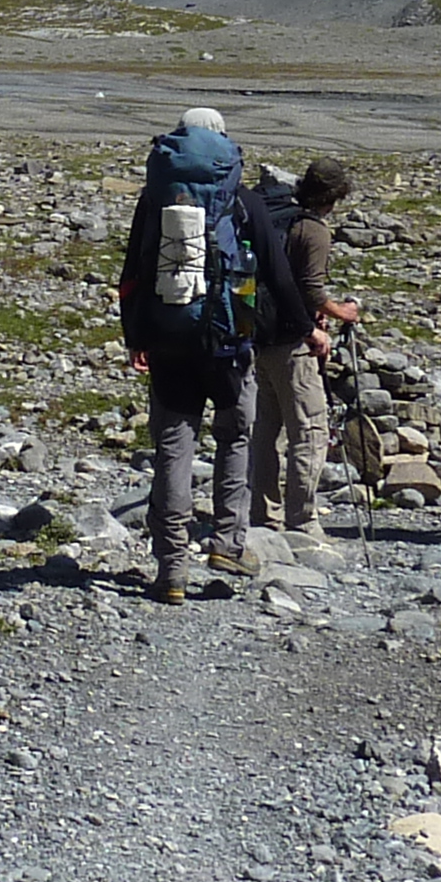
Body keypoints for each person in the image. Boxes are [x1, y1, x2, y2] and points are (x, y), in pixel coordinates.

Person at [117, 106, 299, 602]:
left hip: (167, 338)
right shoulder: (241, 200)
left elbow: (133, 271)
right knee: (235, 437)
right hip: (228, 343)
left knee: (174, 446)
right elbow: (277, 273)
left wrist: (136, 337)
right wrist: (301, 328)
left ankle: (171, 569)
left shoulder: (154, 199)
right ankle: (227, 543)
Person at [248, 156, 360, 545]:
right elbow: (311, 289)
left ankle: (264, 515)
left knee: (266, 429)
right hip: (293, 343)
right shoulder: (313, 230)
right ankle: (302, 520)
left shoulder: (278, 218)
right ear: (333, 196)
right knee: (309, 429)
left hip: (258, 334)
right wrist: (340, 312)